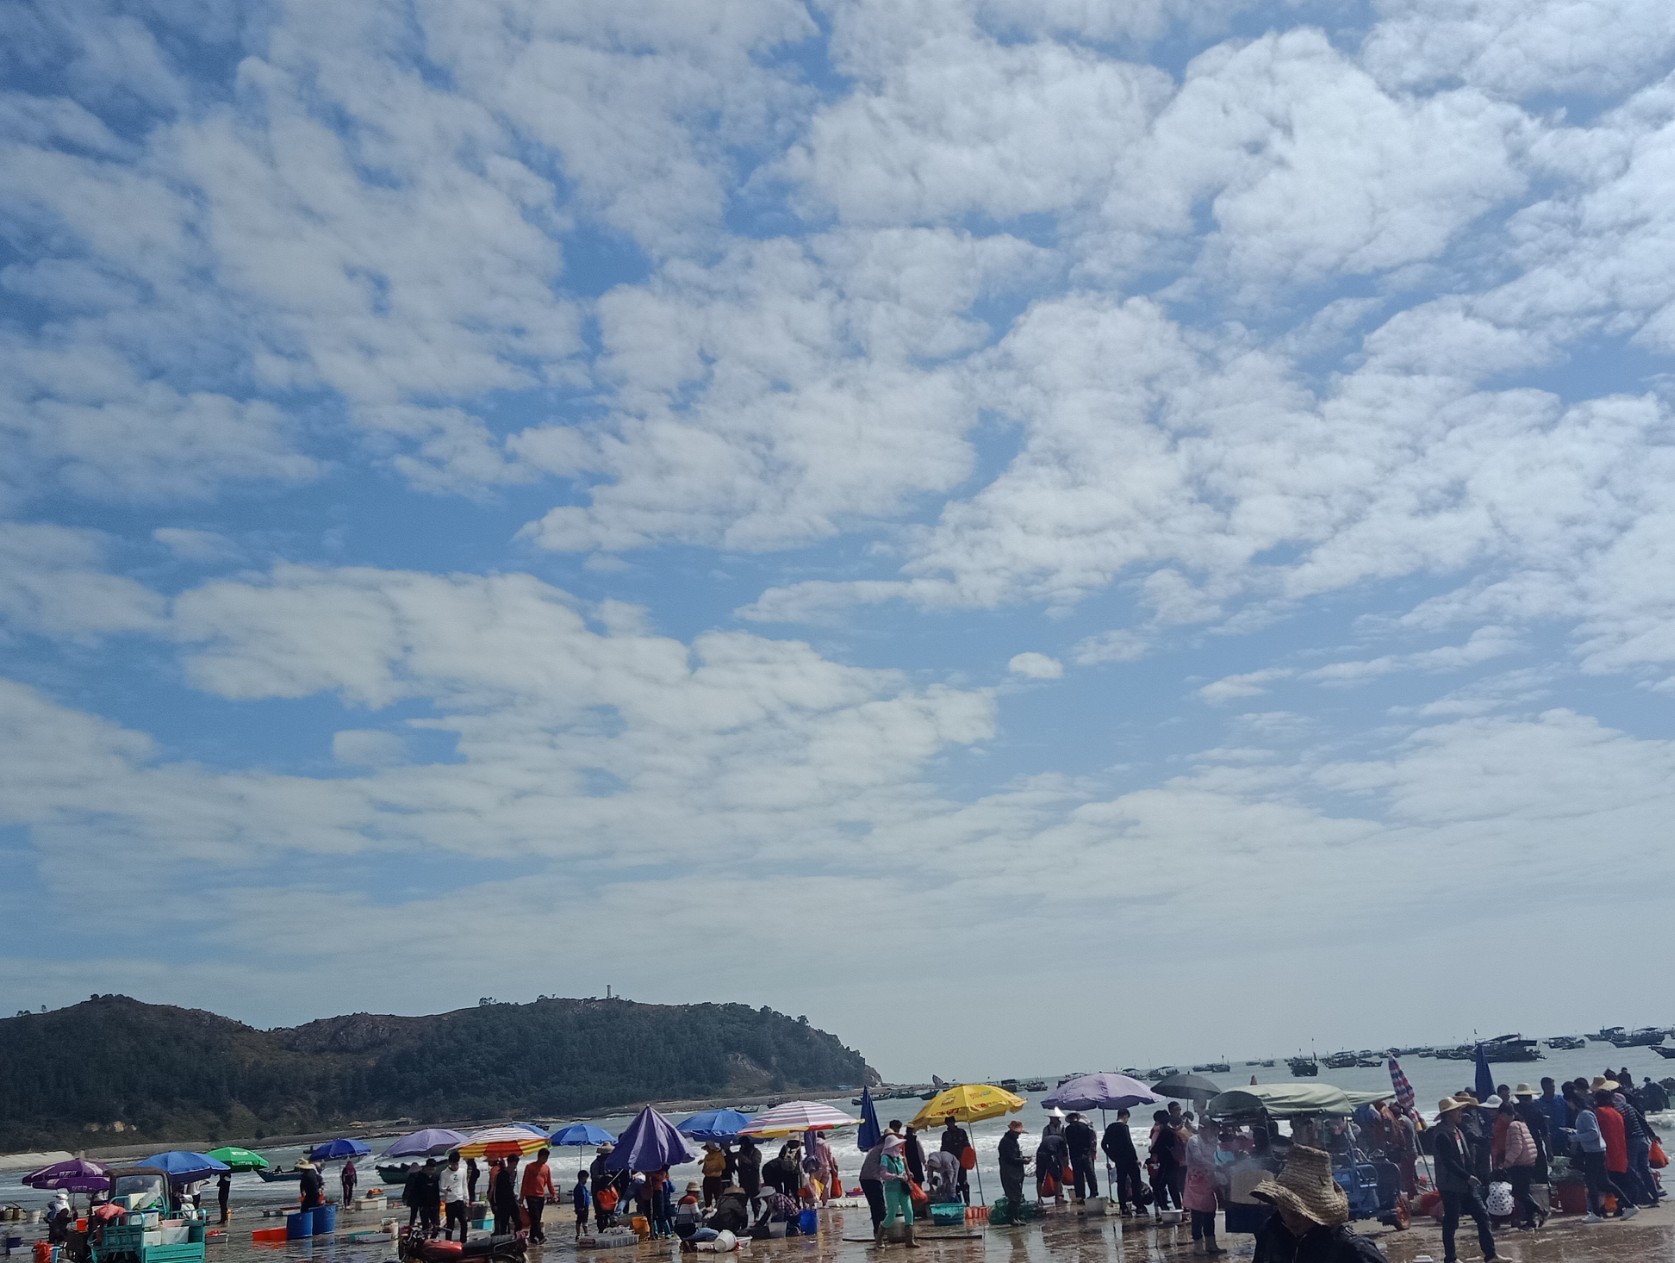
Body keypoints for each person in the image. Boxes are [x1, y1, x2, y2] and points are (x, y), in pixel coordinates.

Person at [1251, 1146, 1387, 1263]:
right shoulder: (1270, 1234)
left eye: (1298, 1208)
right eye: (1284, 1204)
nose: (1290, 1215)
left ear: (1320, 1208)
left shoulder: (1352, 1250)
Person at [1433, 1097, 1499, 1263]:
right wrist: (1467, 1176)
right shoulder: (1442, 1135)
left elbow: (1465, 1157)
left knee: (1482, 1215)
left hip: (1466, 1184)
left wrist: (1472, 1174)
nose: (1460, 1113)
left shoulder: (1457, 1131)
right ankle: (1450, 1258)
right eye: (1457, 1110)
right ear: (1448, 1114)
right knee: (1451, 1221)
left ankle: (1491, 1255)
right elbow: (1448, 1162)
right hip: (1450, 1185)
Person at [1591, 1081, 1643, 1215]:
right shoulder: (1616, 1113)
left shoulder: (1599, 1113)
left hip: (1607, 1152)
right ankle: (1623, 1206)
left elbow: (1598, 1133)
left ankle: (1606, 1209)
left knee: (1604, 1183)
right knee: (1622, 1181)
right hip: (1620, 1151)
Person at [1493, 1099, 1543, 1231]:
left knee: (1518, 1192)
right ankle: (1531, 1220)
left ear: (1505, 1114)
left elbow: (1517, 1147)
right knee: (1523, 1191)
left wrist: (1507, 1162)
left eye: (1501, 1116)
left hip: (1520, 1163)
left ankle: (1540, 1210)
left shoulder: (1513, 1126)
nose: (1501, 1119)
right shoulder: (1521, 1123)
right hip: (1528, 1160)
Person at [1184, 1122, 1224, 1255]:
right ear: (1202, 1129)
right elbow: (1198, 1159)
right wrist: (1215, 1167)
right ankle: (1197, 1245)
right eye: (1211, 1130)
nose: (1213, 1133)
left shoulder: (1212, 1141)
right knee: (1197, 1213)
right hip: (1196, 1179)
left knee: (1210, 1211)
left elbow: (1217, 1154)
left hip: (1208, 1179)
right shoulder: (1193, 1141)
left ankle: (1211, 1243)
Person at [877, 1135, 919, 1248]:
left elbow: (903, 1170)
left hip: (903, 1188)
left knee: (909, 1212)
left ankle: (909, 1240)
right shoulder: (884, 1158)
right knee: (891, 1214)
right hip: (892, 1190)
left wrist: (907, 1175)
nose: (899, 1147)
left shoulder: (899, 1157)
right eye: (896, 1145)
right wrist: (896, 1177)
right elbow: (883, 1174)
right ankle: (879, 1239)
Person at [1103, 1109, 1144, 1215]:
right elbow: (1128, 1144)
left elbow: (1103, 1144)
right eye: (1127, 1118)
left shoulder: (1110, 1127)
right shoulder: (1123, 1127)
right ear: (1125, 1116)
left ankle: (1123, 1207)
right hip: (1129, 1159)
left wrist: (1112, 1156)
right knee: (1136, 1181)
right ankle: (1139, 1205)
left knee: (1121, 1182)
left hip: (1119, 1160)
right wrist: (1135, 1158)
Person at [1147, 1110, 1181, 1218]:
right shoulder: (1170, 1130)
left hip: (1166, 1163)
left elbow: (1157, 1148)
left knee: (1158, 1186)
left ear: (1158, 1121)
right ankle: (1179, 1209)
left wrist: (1151, 1157)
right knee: (1173, 1187)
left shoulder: (1164, 1132)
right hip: (1174, 1163)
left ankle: (1165, 1209)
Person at [521, 1146, 556, 1243]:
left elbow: (549, 1182)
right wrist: (522, 1196)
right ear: (539, 1156)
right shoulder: (530, 1167)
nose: (545, 1159)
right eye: (544, 1157)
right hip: (531, 1195)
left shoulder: (546, 1168)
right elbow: (525, 1182)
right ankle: (540, 1236)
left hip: (541, 1196)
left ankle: (532, 1238)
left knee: (536, 1218)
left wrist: (553, 1194)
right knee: (535, 1218)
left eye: (547, 1158)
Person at [1064, 1112, 1099, 1200]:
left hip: (1075, 1155)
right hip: (1086, 1153)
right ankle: (1094, 1192)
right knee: (1090, 1174)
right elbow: (1091, 1139)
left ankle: (1080, 1196)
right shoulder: (1085, 1127)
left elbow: (1067, 1142)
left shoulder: (1068, 1129)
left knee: (1078, 1176)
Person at [998, 1120, 1029, 1211]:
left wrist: (1023, 1158)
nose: (1018, 1135)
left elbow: (1014, 1156)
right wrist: (1023, 1161)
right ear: (1012, 1131)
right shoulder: (1006, 1142)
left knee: (1017, 1195)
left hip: (1015, 1172)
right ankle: (1013, 1216)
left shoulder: (1012, 1141)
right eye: (1017, 1133)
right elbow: (1010, 1159)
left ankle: (1015, 1215)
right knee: (1014, 1197)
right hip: (1009, 1173)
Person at [1036, 1120, 1069, 1207]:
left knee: (1040, 1178)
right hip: (1049, 1155)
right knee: (1057, 1177)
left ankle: (1039, 1199)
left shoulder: (1047, 1136)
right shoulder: (1062, 1140)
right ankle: (1057, 1198)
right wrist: (1064, 1167)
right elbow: (1065, 1156)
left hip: (1039, 1154)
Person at [940, 1116, 972, 1206]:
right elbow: (943, 1149)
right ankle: (959, 1202)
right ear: (946, 1124)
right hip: (950, 1162)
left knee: (963, 1182)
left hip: (962, 1161)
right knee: (954, 1183)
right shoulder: (945, 1135)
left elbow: (967, 1146)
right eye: (948, 1123)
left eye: (951, 1122)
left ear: (954, 1122)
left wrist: (970, 1157)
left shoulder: (961, 1132)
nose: (950, 1124)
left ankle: (967, 1202)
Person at [440, 1150, 470, 1243]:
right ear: (450, 1163)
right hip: (450, 1202)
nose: (455, 1166)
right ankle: (448, 1242)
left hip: (460, 1200)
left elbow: (464, 1185)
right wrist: (446, 1189)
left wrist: (466, 1198)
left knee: (464, 1222)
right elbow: (441, 1187)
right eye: (453, 1164)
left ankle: (463, 1242)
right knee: (450, 1225)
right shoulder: (444, 1173)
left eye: (457, 1164)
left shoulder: (462, 1171)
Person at [859, 1136, 888, 1230]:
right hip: (873, 1178)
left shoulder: (874, 1148)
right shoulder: (884, 1149)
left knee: (874, 1205)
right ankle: (883, 1230)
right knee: (880, 1205)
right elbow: (886, 1165)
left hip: (864, 1178)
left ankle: (877, 1228)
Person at [1390, 1106, 1419, 1198]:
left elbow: (1399, 1138)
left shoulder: (1401, 1121)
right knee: (1409, 1178)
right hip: (1411, 1151)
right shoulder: (1405, 1118)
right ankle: (1413, 1197)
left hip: (1408, 1153)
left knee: (1408, 1179)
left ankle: (1414, 1198)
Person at [493, 1154, 522, 1238]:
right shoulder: (501, 1175)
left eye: (516, 1164)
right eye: (514, 1164)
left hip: (512, 1200)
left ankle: (517, 1237)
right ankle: (503, 1239)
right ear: (509, 1163)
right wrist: (496, 1204)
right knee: (504, 1223)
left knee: (518, 1221)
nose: (515, 1166)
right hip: (503, 1202)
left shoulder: (514, 1173)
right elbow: (497, 1191)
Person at [734, 1138, 762, 1219]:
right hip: (743, 1179)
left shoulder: (756, 1152)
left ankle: (756, 1215)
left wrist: (743, 1157)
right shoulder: (741, 1152)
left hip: (753, 1180)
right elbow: (740, 1167)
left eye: (742, 1144)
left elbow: (755, 1165)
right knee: (742, 1200)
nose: (741, 1146)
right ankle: (742, 1217)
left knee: (755, 1199)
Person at [573, 1172, 593, 1240]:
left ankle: (579, 1234)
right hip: (583, 1207)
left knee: (580, 1220)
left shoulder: (580, 1187)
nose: (586, 1181)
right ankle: (584, 1233)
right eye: (586, 1179)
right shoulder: (580, 1187)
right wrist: (582, 1206)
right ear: (582, 1178)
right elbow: (582, 1197)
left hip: (581, 1207)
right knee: (583, 1221)